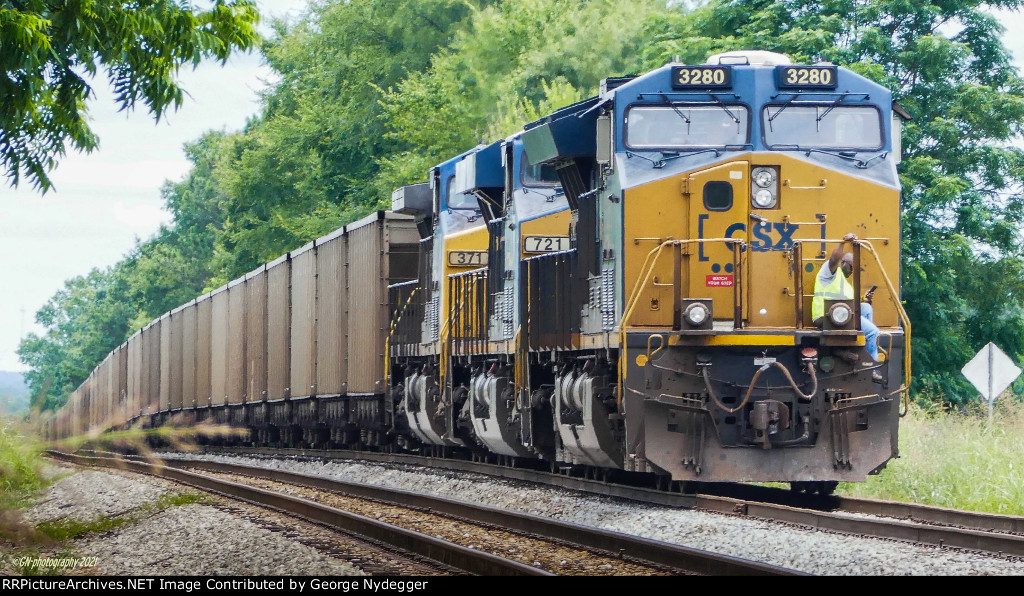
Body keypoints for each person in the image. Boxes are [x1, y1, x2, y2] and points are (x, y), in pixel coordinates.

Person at [811, 233, 880, 365]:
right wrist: (842, 242)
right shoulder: (828, 273)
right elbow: (833, 259)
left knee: (865, 307)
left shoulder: (846, 284)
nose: (852, 271)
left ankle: (861, 348)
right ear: (842, 262)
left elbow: (851, 308)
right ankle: (871, 366)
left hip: (839, 317)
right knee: (872, 332)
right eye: (851, 267)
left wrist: (866, 300)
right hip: (824, 317)